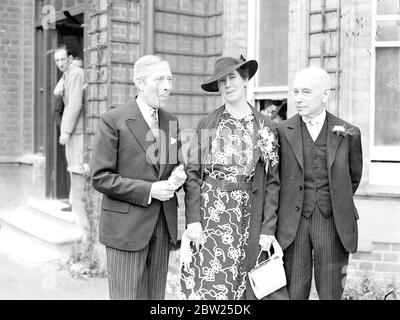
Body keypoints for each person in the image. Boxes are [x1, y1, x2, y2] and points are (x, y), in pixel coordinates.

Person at [179, 55, 285, 300]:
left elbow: (272, 181)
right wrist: (193, 220)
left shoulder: (265, 127)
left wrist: (267, 229)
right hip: (210, 214)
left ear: (245, 79)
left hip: (248, 214)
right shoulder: (208, 123)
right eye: (222, 81)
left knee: (242, 285)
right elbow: (193, 174)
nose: (227, 85)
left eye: (232, 78)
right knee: (209, 283)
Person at [91, 55, 186, 300]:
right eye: (159, 79)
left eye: (170, 79)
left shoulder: (170, 121)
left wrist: (178, 174)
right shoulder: (113, 120)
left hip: (162, 226)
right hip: (126, 230)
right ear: (139, 83)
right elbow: (100, 177)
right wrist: (150, 190)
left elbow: (168, 166)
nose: (167, 85)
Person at [276, 66, 363, 300]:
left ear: (324, 95)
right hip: (293, 225)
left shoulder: (348, 132)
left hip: (331, 223)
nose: (298, 99)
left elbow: (353, 178)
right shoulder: (281, 131)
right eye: (295, 92)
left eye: (306, 92)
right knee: (294, 292)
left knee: (331, 292)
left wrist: (331, 201)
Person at [53, 48, 85, 211]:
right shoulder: (68, 74)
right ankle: (74, 201)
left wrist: (65, 131)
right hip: (73, 129)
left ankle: (77, 204)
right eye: (57, 61)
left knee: (77, 166)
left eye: (62, 60)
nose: (60, 64)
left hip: (76, 129)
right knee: (73, 165)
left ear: (70, 58)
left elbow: (74, 104)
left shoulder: (75, 73)